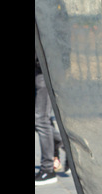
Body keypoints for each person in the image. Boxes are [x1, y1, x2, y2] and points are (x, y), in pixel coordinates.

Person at [35, 53, 64, 185]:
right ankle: (63, 145)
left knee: (41, 119)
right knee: (40, 119)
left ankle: (48, 169)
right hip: (39, 70)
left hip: (45, 69)